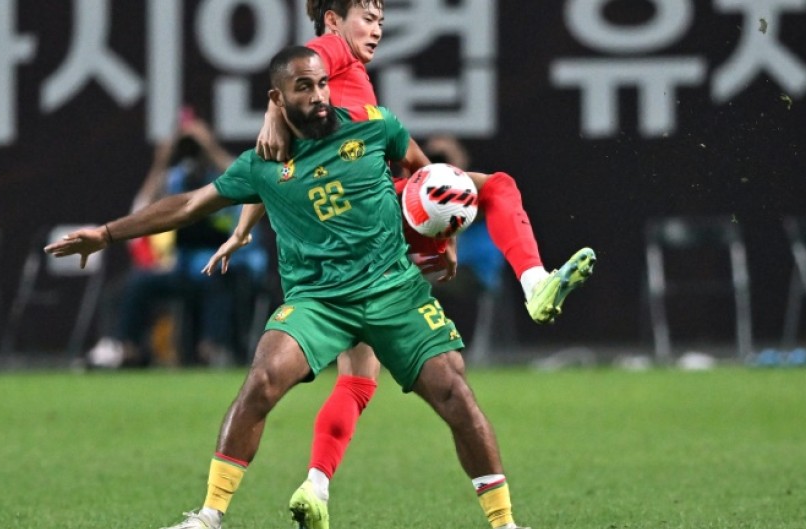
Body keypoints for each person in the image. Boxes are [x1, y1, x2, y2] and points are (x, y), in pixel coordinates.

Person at [45, 46, 531, 529]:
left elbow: (425, 175)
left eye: (321, 83)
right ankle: (209, 516)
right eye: (304, 87)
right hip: (317, 302)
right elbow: (191, 203)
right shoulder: (263, 165)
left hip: (394, 293)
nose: (320, 95)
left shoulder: (375, 125)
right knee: (262, 380)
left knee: (456, 397)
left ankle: (505, 525)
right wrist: (107, 234)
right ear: (277, 98)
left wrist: (441, 234)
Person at [206, 2, 595, 525]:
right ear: (330, 20)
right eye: (367, 16)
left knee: (359, 380)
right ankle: (534, 283)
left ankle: (316, 486)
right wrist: (271, 113)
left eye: (382, 21)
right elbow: (282, 115)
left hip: (354, 234)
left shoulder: (345, 81)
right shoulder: (328, 56)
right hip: (373, 214)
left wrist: (244, 227)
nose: (377, 29)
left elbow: (283, 166)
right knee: (499, 187)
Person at [87, 111, 267, 368]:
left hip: (231, 266)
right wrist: (161, 162)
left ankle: (213, 348)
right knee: (139, 282)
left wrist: (209, 146)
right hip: (185, 267)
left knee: (218, 281)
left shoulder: (225, 175)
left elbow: (253, 182)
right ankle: (124, 347)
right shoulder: (178, 178)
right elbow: (141, 210)